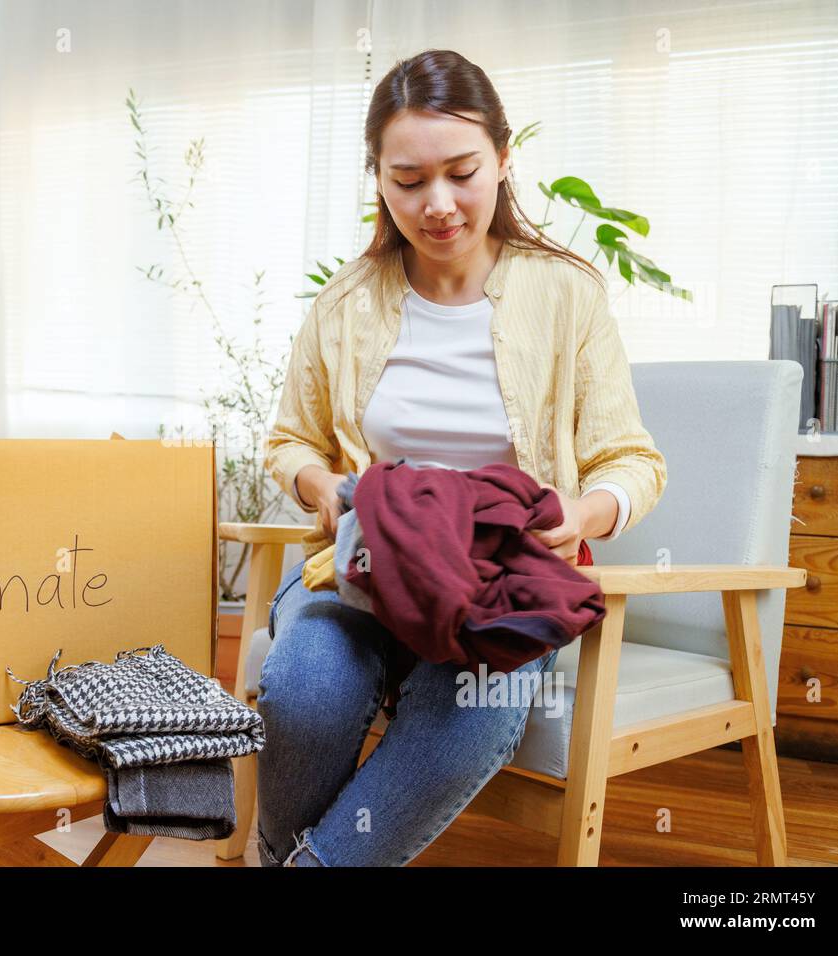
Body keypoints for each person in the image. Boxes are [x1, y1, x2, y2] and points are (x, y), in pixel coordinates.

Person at [257, 49, 668, 867]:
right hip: (357, 573)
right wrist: (324, 486)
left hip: (499, 588)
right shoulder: (344, 305)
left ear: (505, 160)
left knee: (470, 714)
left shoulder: (566, 296)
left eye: (461, 172)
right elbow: (288, 440)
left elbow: (631, 460)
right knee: (306, 694)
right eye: (408, 181)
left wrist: (580, 516)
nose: (438, 205)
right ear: (377, 178)